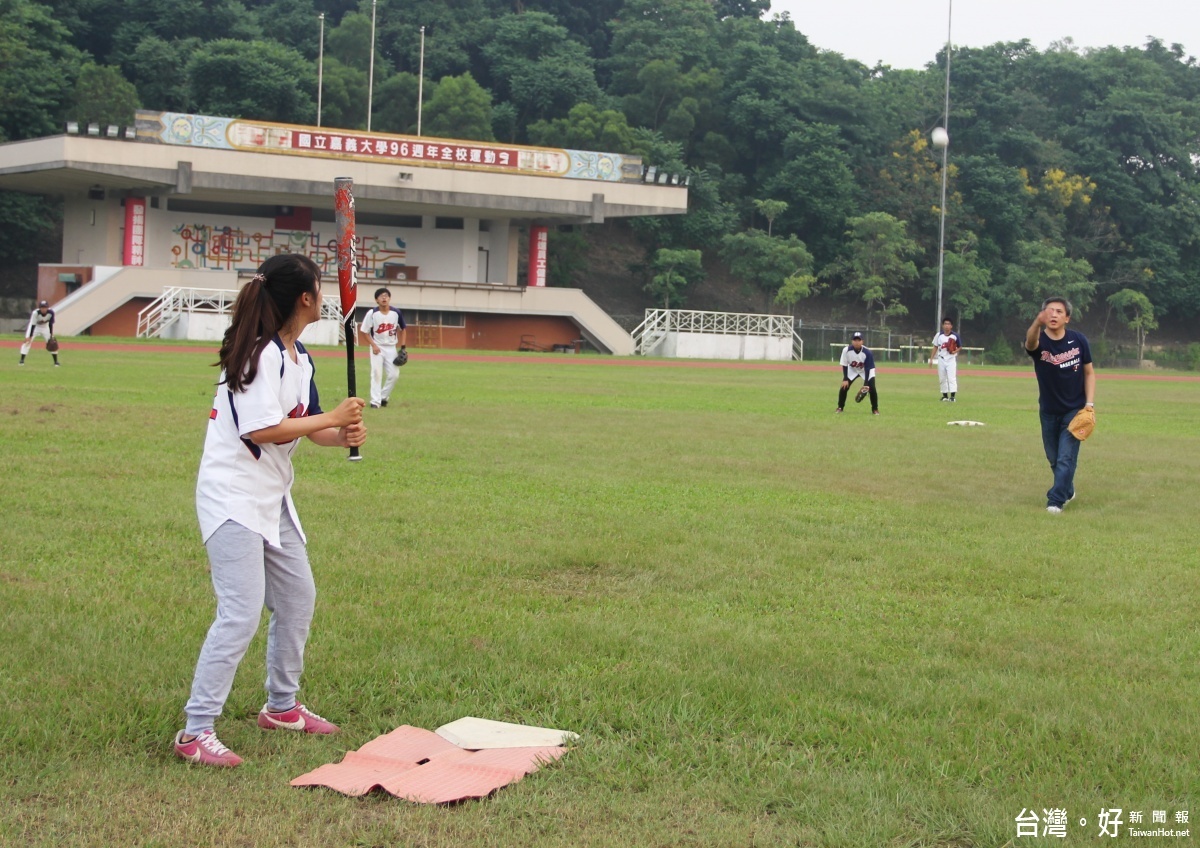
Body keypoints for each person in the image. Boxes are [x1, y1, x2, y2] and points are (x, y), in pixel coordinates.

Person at [176, 254, 367, 767]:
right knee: (239, 612)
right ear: (305, 297)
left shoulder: (299, 355)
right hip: (232, 494)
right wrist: (329, 417)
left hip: (272, 495)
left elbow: (303, 424)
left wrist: (338, 433)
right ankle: (195, 731)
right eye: (320, 288)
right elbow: (260, 430)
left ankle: (281, 707)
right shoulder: (261, 354)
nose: (324, 296)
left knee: (298, 598)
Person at [1024, 296, 1095, 515]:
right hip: (1048, 411)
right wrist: (1036, 323)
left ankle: (1055, 501)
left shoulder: (1079, 340)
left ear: (1067, 318)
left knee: (1066, 457)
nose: (1053, 314)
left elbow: (1089, 372)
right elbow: (1030, 343)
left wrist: (1089, 405)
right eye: (1049, 311)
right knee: (1054, 458)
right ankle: (1067, 489)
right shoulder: (1039, 341)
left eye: (1058, 311)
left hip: (1074, 410)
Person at [359, 287, 407, 409]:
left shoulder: (396, 313)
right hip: (377, 347)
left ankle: (383, 397)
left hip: (391, 347)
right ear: (377, 300)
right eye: (381, 296)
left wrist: (403, 347)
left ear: (389, 298)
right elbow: (364, 331)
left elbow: (403, 329)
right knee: (376, 374)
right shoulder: (372, 313)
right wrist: (373, 345)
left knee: (394, 374)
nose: (384, 298)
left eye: (386, 296)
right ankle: (375, 402)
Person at [835, 332, 879, 415]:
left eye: (859, 340)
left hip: (866, 371)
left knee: (872, 389)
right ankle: (840, 407)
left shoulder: (867, 352)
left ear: (862, 341)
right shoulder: (846, 350)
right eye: (855, 340)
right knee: (844, 387)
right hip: (852, 370)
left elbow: (868, 368)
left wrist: (866, 384)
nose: (857, 342)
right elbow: (844, 364)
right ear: (852, 341)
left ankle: (875, 409)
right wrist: (845, 379)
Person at [930, 317, 962, 401]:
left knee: (951, 378)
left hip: (951, 359)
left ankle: (952, 397)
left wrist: (954, 351)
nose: (947, 326)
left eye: (948, 324)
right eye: (945, 324)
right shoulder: (939, 335)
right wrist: (931, 359)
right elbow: (935, 347)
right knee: (942, 378)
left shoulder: (955, 336)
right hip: (941, 359)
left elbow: (960, 347)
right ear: (942, 325)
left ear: (951, 326)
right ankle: (945, 396)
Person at [19, 300, 58, 366]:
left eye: (45, 307)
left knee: (52, 343)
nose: (43, 309)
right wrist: (30, 336)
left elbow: (50, 324)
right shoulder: (35, 313)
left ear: (47, 307)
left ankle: (56, 362)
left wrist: (51, 334)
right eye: (42, 307)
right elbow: (33, 325)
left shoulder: (51, 312)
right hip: (35, 327)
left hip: (45, 327)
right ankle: (21, 360)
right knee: (27, 342)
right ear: (39, 308)